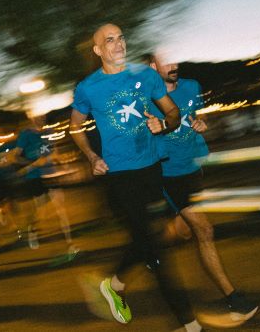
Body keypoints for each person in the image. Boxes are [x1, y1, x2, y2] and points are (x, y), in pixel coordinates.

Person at [70, 23, 211, 332]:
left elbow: (172, 114)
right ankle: (188, 323)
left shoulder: (145, 76)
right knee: (156, 251)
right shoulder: (88, 88)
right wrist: (92, 157)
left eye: (121, 37)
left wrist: (165, 125)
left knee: (151, 238)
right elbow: (75, 125)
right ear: (98, 51)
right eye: (110, 40)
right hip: (119, 177)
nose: (119, 43)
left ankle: (113, 284)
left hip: (151, 169)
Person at [145, 52, 260, 325]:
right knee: (205, 230)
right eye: (167, 62)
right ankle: (234, 298)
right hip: (168, 173)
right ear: (153, 66)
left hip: (192, 169)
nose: (173, 66)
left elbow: (194, 119)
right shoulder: (147, 97)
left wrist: (200, 124)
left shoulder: (192, 87)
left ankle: (146, 250)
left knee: (182, 231)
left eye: (176, 60)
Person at [12, 115, 79, 262]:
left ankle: (70, 244)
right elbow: (15, 157)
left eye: (43, 115)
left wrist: (65, 163)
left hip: (51, 174)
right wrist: (33, 162)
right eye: (37, 116)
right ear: (31, 117)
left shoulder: (49, 132)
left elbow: (54, 152)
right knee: (40, 213)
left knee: (61, 210)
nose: (41, 118)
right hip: (35, 177)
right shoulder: (26, 134)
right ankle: (33, 229)